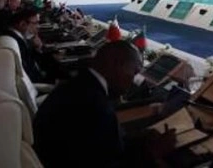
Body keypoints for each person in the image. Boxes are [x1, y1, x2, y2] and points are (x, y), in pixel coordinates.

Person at [33, 41, 175, 167]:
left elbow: (99, 147)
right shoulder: (96, 106)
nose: (132, 81)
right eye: (134, 72)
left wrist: (141, 140)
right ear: (117, 64)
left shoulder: (77, 85)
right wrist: (154, 152)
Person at [0, 8, 45, 83]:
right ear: (22, 24)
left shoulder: (13, 36)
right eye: (36, 23)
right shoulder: (17, 43)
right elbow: (29, 71)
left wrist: (37, 48)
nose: (38, 26)